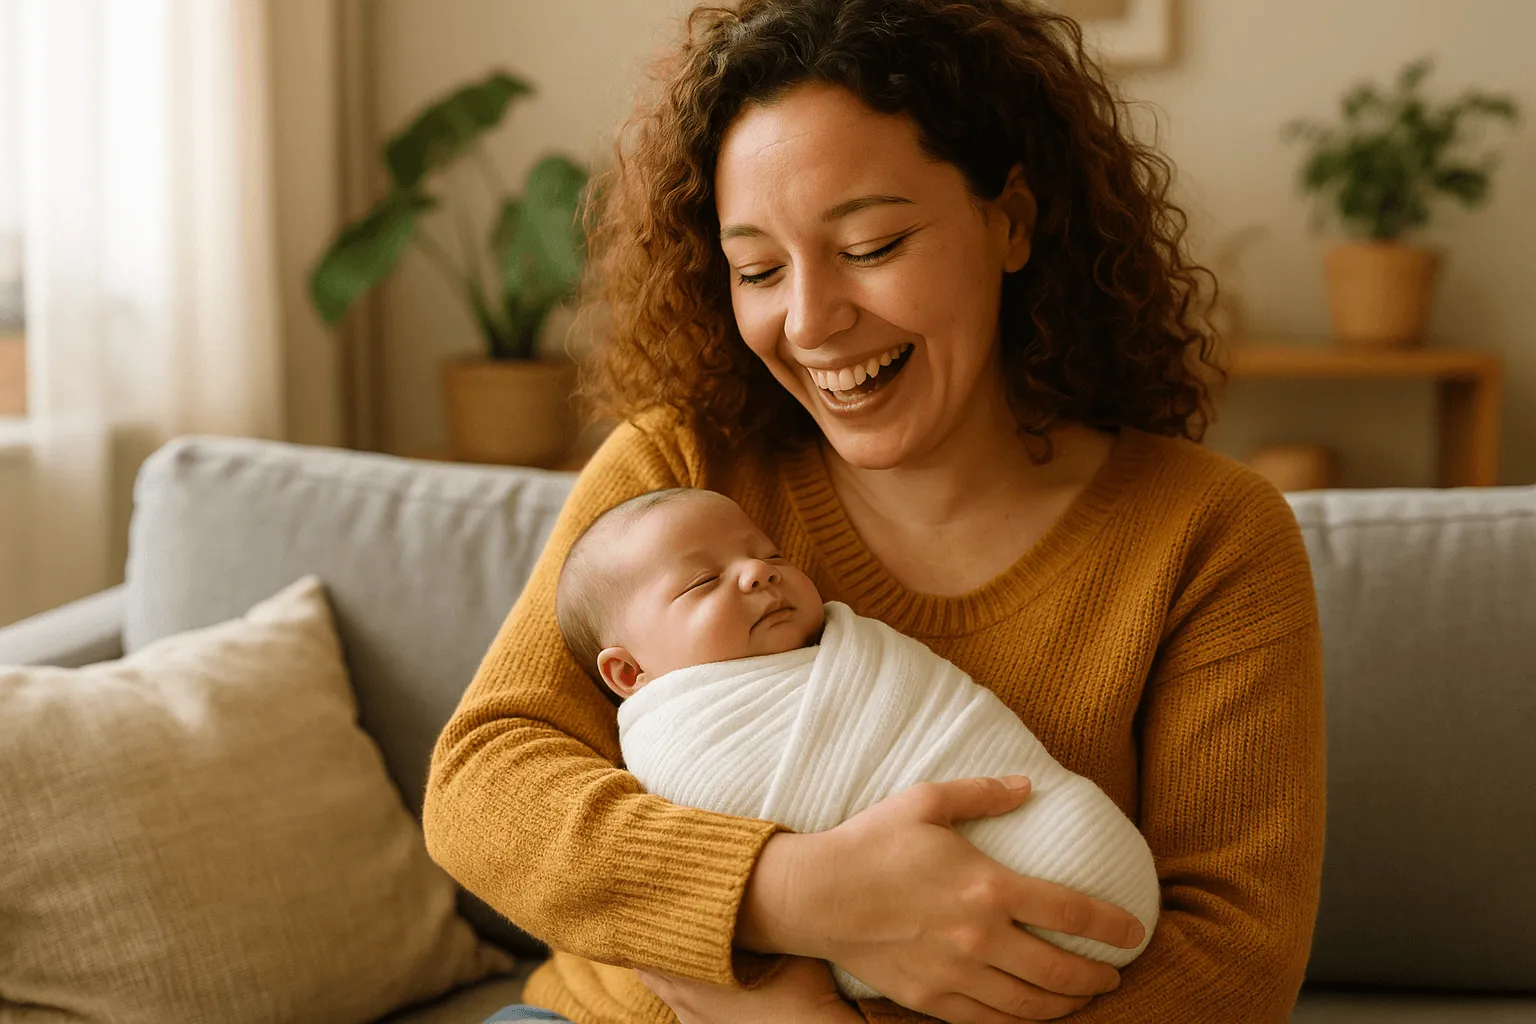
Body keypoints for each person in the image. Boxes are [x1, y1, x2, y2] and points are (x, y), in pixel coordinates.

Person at [422, 0, 1326, 1022]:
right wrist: (799, 897)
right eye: (758, 268)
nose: (810, 320)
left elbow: (1233, 958)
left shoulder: (1206, 536)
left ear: (1011, 222)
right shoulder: (681, 471)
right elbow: (486, 784)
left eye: (871, 244)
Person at [553, 485, 1161, 1007]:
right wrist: (801, 898)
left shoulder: (855, 661)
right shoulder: (679, 729)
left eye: (771, 554)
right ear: (630, 675)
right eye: (704, 581)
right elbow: (481, 779)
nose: (759, 571)